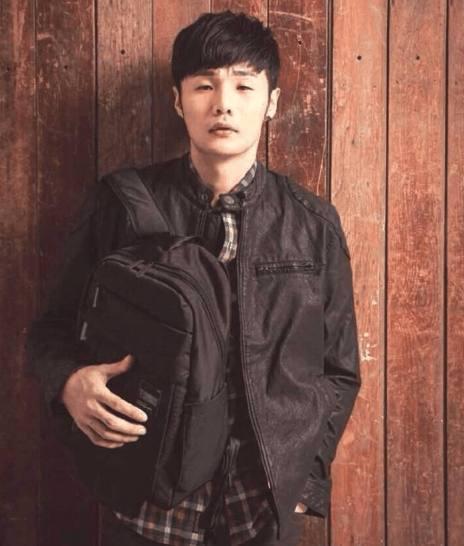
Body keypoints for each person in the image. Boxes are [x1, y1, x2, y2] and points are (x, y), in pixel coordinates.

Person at [26, 9, 361, 546]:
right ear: (178, 101)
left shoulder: (312, 223)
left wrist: (306, 480)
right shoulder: (120, 204)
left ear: (272, 102)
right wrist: (69, 383)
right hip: (147, 502)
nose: (224, 103)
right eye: (205, 85)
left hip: (262, 510)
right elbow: (50, 331)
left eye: (244, 86)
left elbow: (339, 369)